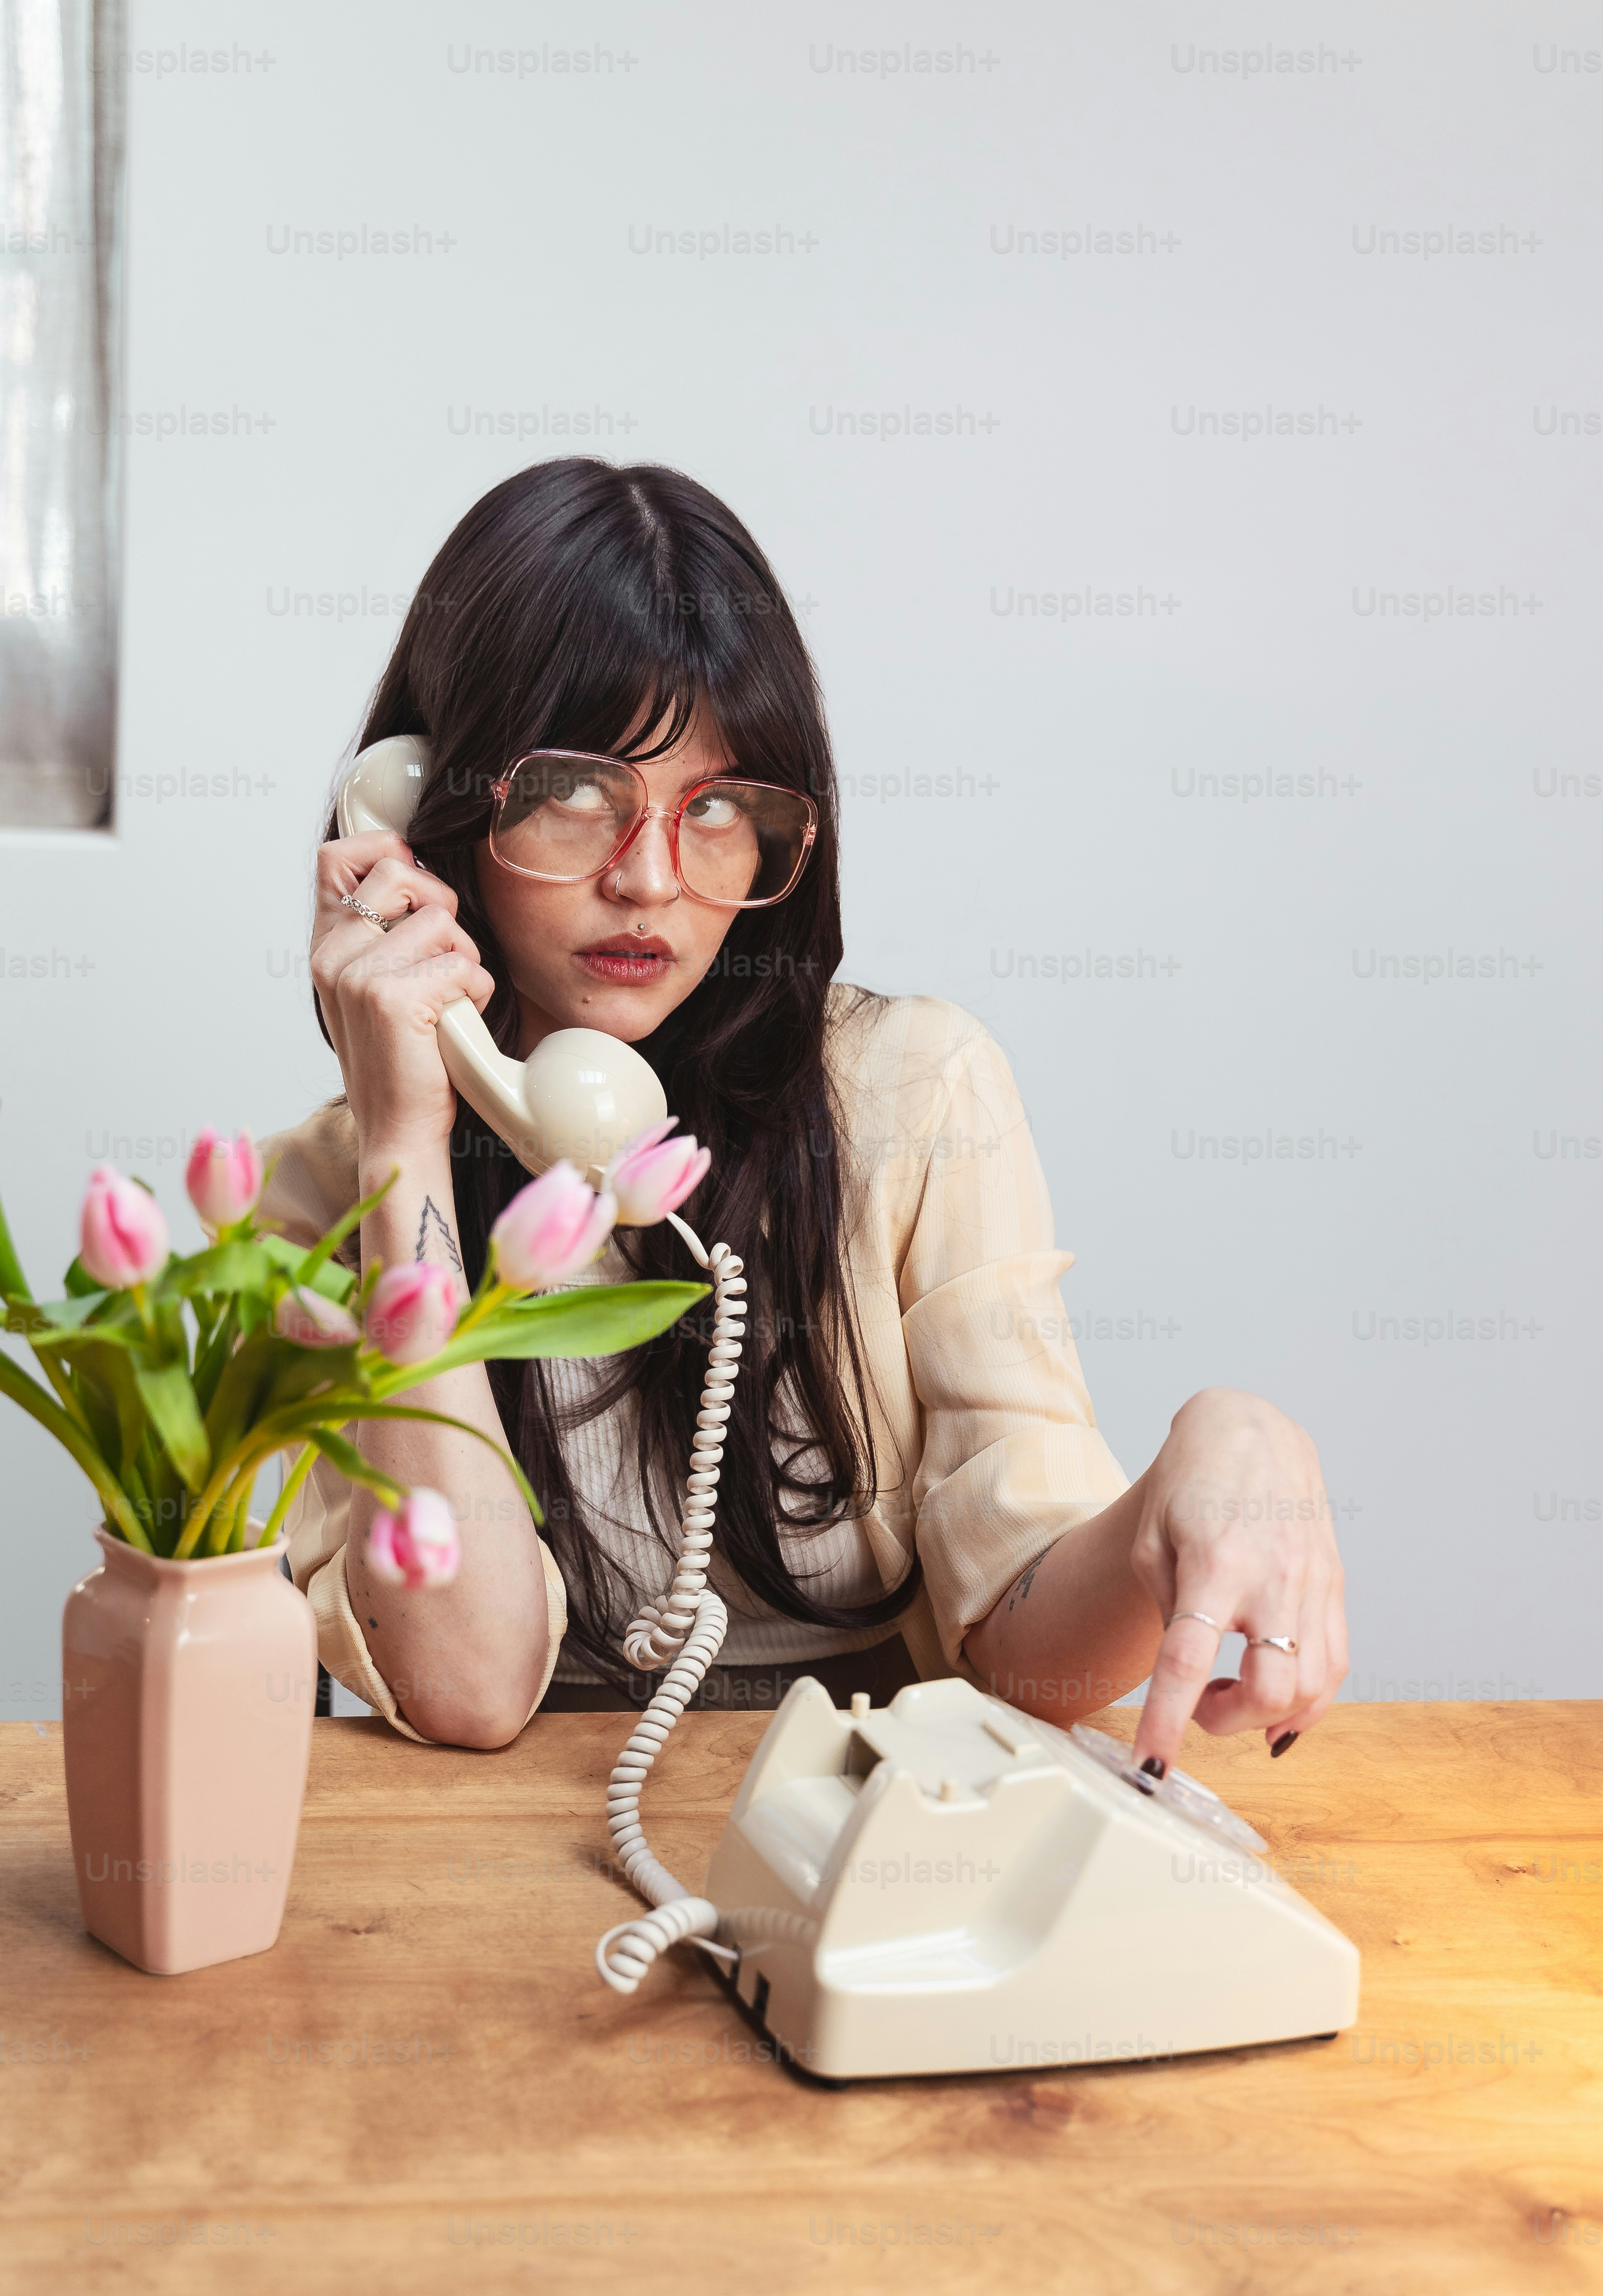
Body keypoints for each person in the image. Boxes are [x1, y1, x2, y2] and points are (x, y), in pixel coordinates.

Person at [262, 457, 1347, 1774]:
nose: (651, 879)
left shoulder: (915, 1096)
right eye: (575, 789)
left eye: (716, 806)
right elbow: (472, 1682)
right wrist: (405, 1142)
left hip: (874, 1848)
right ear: (426, 803)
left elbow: (1031, 1650)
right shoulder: (335, 1191)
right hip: (506, 1872)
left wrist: (1216, 1450)